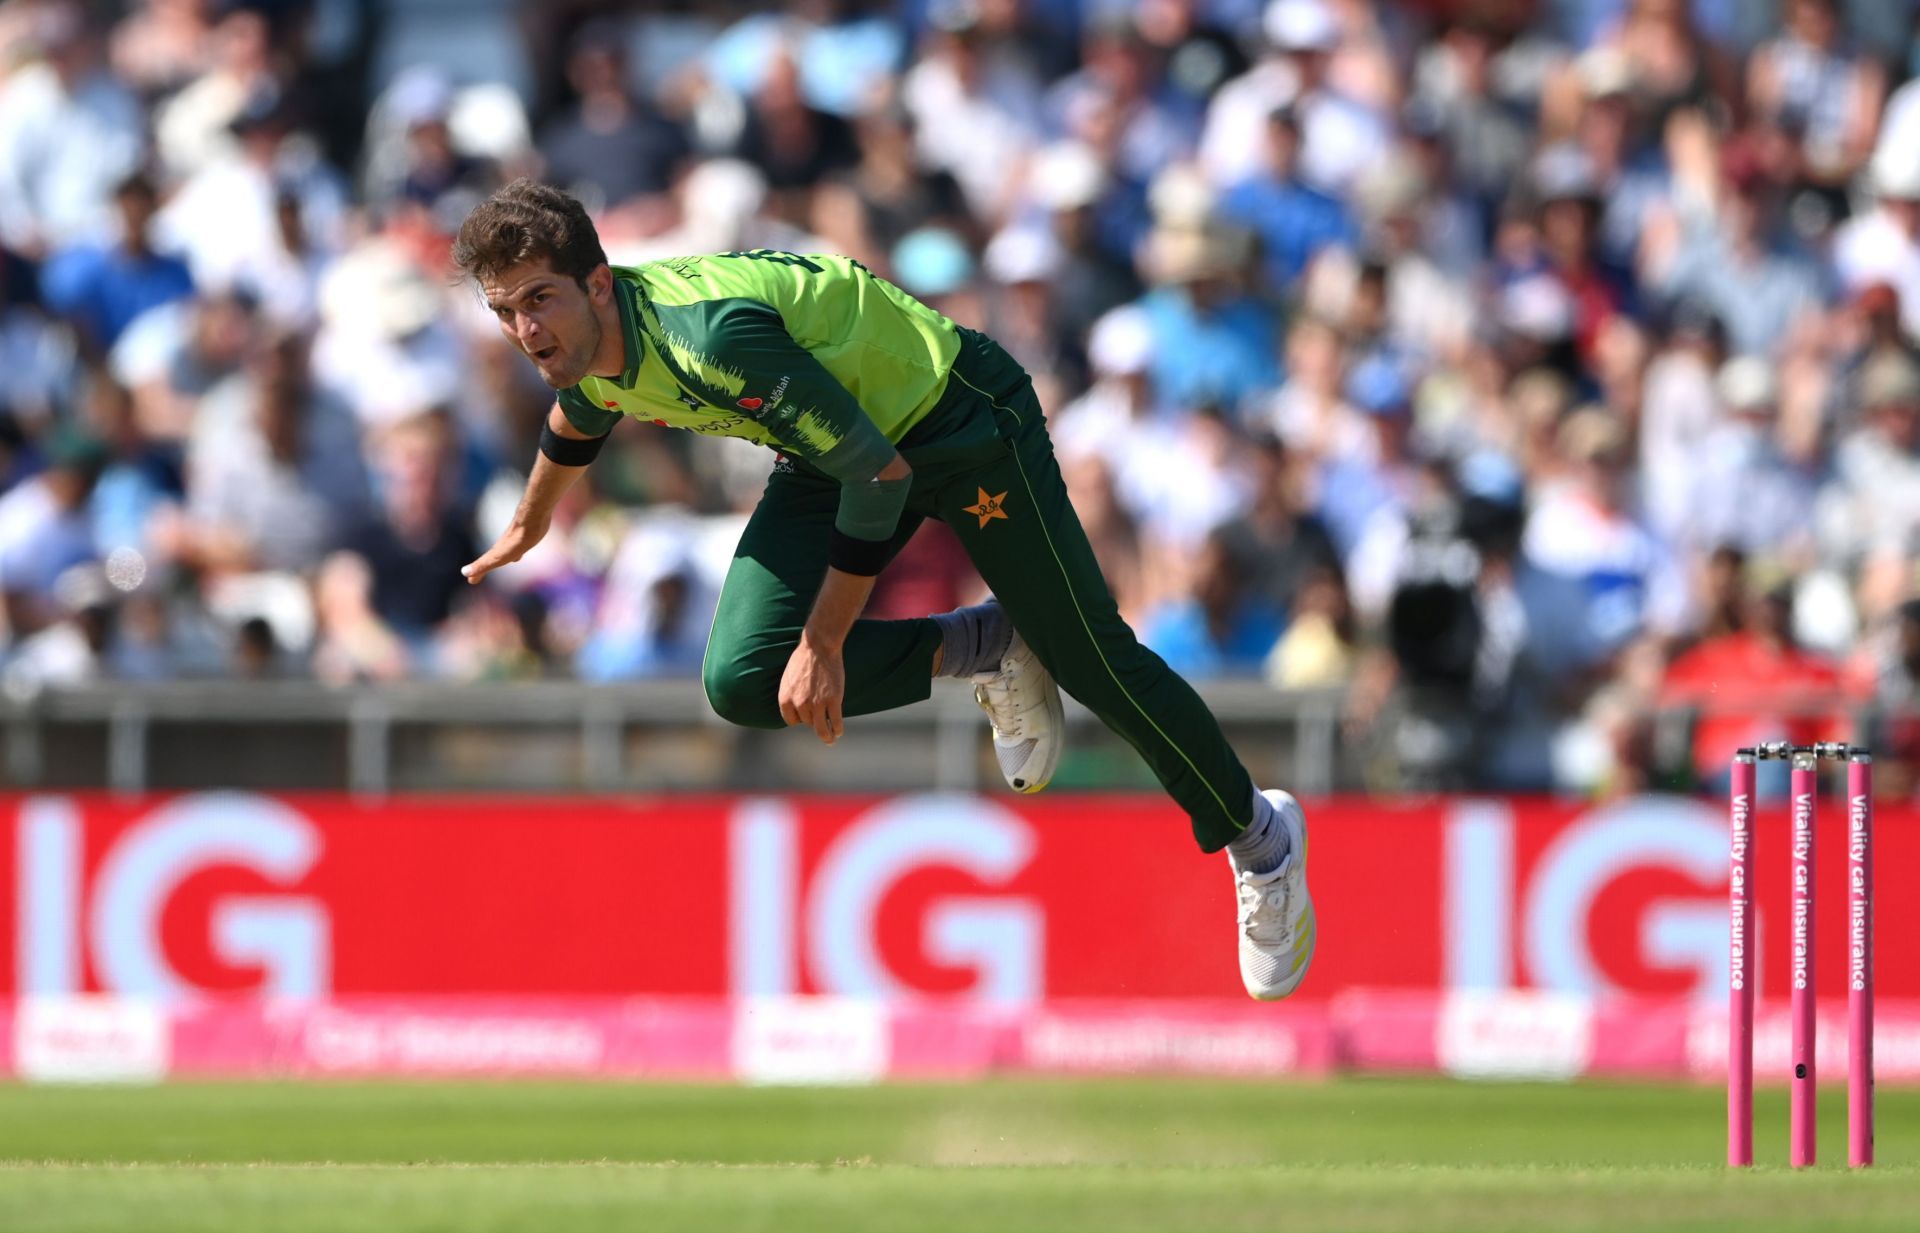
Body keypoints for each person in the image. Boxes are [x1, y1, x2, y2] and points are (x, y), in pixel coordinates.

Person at [451, 179, 1316, 1001]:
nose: (525, 331)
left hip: (961, 419)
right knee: (742, 679)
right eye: (504, 311)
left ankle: (1262, 841)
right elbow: (583, 412)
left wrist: (825, 644)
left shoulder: (705, 338)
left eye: (538, 300)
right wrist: (531, 523)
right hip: (843, 448)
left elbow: (883, 479)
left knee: (1090, 656)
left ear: (599, 284)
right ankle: (989, 646)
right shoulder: (591, 343)